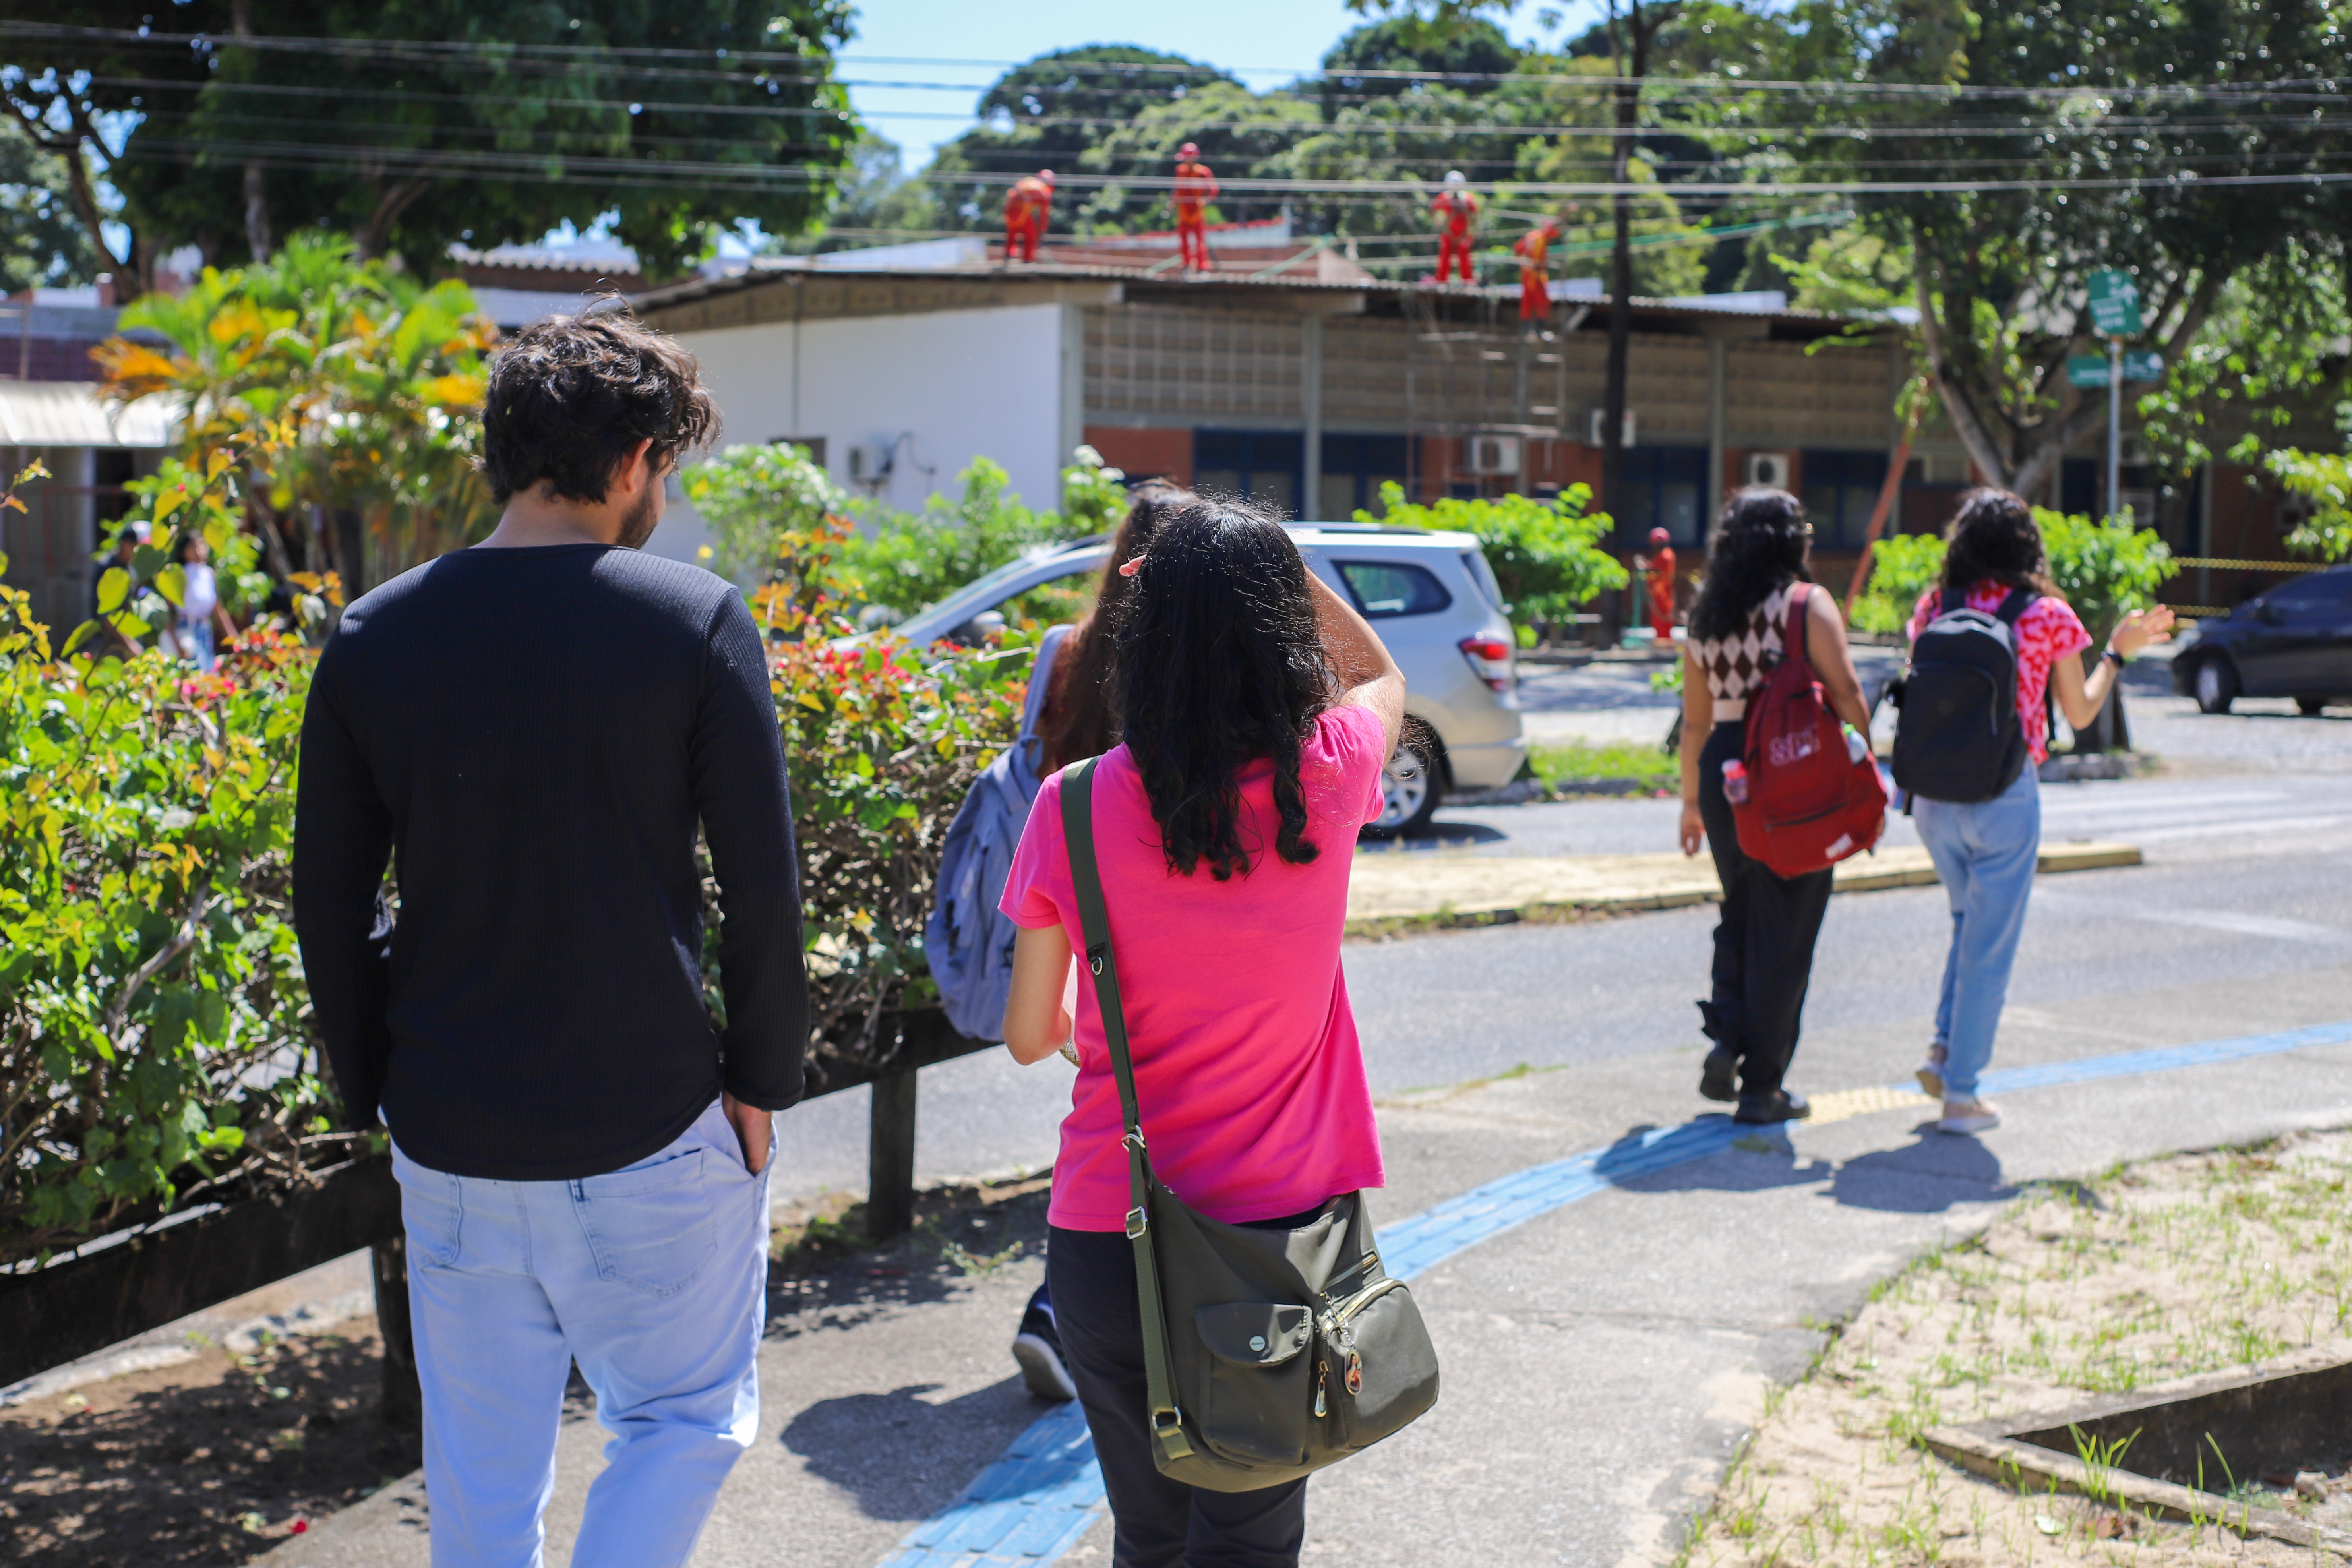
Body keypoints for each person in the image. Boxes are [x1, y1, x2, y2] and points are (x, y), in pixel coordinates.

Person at [292, 310, 809, 1568]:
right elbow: (764, 888)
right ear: (635, 460)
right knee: (680, 1422)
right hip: (649, 1120)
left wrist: (379, 1088)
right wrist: (760, 1083)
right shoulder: (690, 620)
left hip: (452, 1133)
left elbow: (327, 902)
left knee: (477, 1475)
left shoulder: (372, 635)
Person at [997, 498, 1404, 1566]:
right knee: (1247, 1544)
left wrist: (1104, 1040)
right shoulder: (1329, 772)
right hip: (1272, 1253)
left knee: (1148, 1532)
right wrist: (1270, 567)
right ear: (1277, 626)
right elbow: (1376, 675)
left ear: (1146, 629)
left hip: (1104, 1237)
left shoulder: (1071, 804)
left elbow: (1028, 1034)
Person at [1903, 489, 2173, 1136]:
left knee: (1968, 925)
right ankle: (1960, 1095)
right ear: (2026, 544)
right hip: (2004, 796)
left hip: (1933, 800)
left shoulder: (1933, 606)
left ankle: (1943, 1051)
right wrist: (2114, 652)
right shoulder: (2047, 615)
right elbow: (2079, 714)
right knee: (1987, 947)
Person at [1677, 487, 1873, 1124]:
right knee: (1785, 932)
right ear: (1790, 540)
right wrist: (1864, 766)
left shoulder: (1704, 614)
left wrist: (1689, 804)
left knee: (1739, 909)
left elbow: (1695, 725)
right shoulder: (1802, 605)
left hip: (1724, 772)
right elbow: (1844, 690)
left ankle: (1726, 1036)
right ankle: (1763, 1086)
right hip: (1788, 771)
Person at [166, 530, 236, 671]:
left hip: (205, 630)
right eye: (193, 547)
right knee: (197, 673)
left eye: (201, 546)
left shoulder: (209, 574)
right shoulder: (180, 574)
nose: (198, 551)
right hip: (187, 630)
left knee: (209, 671)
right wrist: (176, 643)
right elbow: (167, 610)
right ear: (184, 551)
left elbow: (219, 610)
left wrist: (235, 641)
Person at [1172, 143, 1218, 273]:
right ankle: (1186, 267)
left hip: (1197, 211)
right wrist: (1173, 202)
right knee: (1184, 240)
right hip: (1183, 211)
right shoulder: (1180, 170)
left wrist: (1205, 200)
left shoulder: (1203, 172)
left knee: (1199, 242)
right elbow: (1177, 189)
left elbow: (1213, 190)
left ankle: (1202, 268)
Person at [1429, 170, 1480, 283]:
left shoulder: (1468, 199)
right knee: (1445, 258)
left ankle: (1468, 281)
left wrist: (1465, 212)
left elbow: (1475, 216)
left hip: (1464, 234)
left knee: (1465, 258)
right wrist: (1441, 225)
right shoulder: (1444, 197)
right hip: (1449, 234)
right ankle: (1442, 280)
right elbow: (1432, 211)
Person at [1513, 216, 1559, 322]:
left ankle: (1539, 328)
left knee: (1541, 301)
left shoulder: (1542, 237)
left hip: (1538, 274)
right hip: (1530, 276)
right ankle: (1528, 329)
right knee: (1530, 301)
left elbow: (1555, 232)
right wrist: (1528, 264)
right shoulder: (1534, 237)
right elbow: (1518, 252)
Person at [1638, 525, 1678, 641]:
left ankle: (1664, 648)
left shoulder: (1666, 555)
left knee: (1663, 624)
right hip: (1659, 595)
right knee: (1658, 623)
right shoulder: (1662, 555)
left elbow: (1658, 573)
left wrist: (1646, 567)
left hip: (1663, 595)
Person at [1005, 170, 1055, 263]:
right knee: (1031, 236)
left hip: (1009, 212)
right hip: (1022, 214)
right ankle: (1027, 260)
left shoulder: (1027, 182)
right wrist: (1041, 231)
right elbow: (1044, 214)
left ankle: (1009, 255)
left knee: (1012, 235)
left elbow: (1012, 194)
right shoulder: (1044, 191)